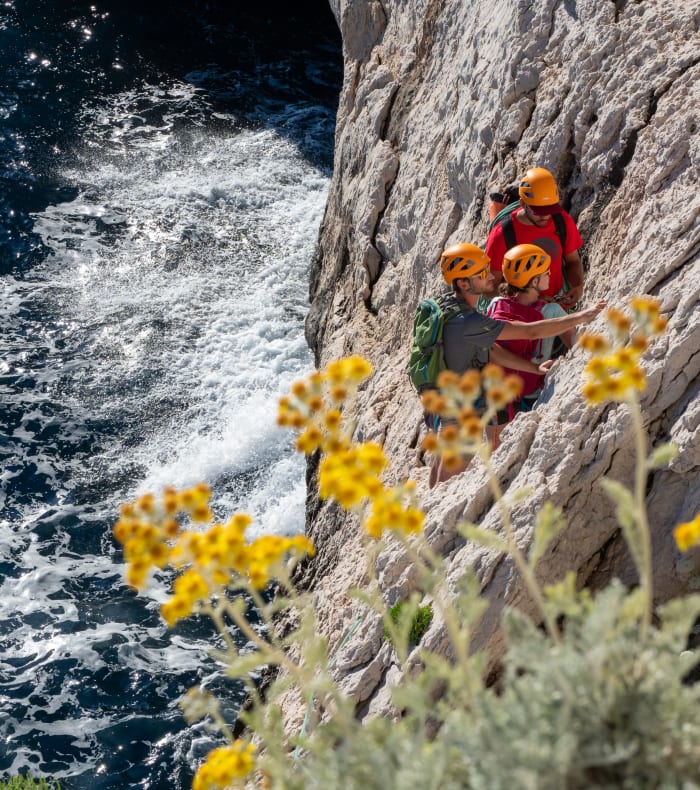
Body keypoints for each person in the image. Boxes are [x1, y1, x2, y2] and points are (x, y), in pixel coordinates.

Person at [428, 242, 605, 487]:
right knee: (456, 465)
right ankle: (440, 519)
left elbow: (493, 352)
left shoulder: (457, 309)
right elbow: (530, 333)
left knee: (443, 461)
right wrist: (580, 316)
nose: (490, 276)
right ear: (463, 283)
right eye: (482, 273)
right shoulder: (470, 322)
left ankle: (430, 514)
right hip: (469, 399)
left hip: (450, 392)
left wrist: (533, 369)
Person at [486, 243, 575, 449]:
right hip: (533, 390)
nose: (550, 275)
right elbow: (577, 344)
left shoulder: (496, 303)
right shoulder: (549, 311)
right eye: (545, 273)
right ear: (534, 281)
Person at [485, 167, 584, 311]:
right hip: (520, 317)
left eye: (549, 210)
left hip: (557, 308)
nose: (545, 216)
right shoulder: (503, 234)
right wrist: (529, 299)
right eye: (538, 211)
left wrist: (577, 286)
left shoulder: (561, 221)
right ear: (522, 204)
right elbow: (489, 289)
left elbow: (573, 261)